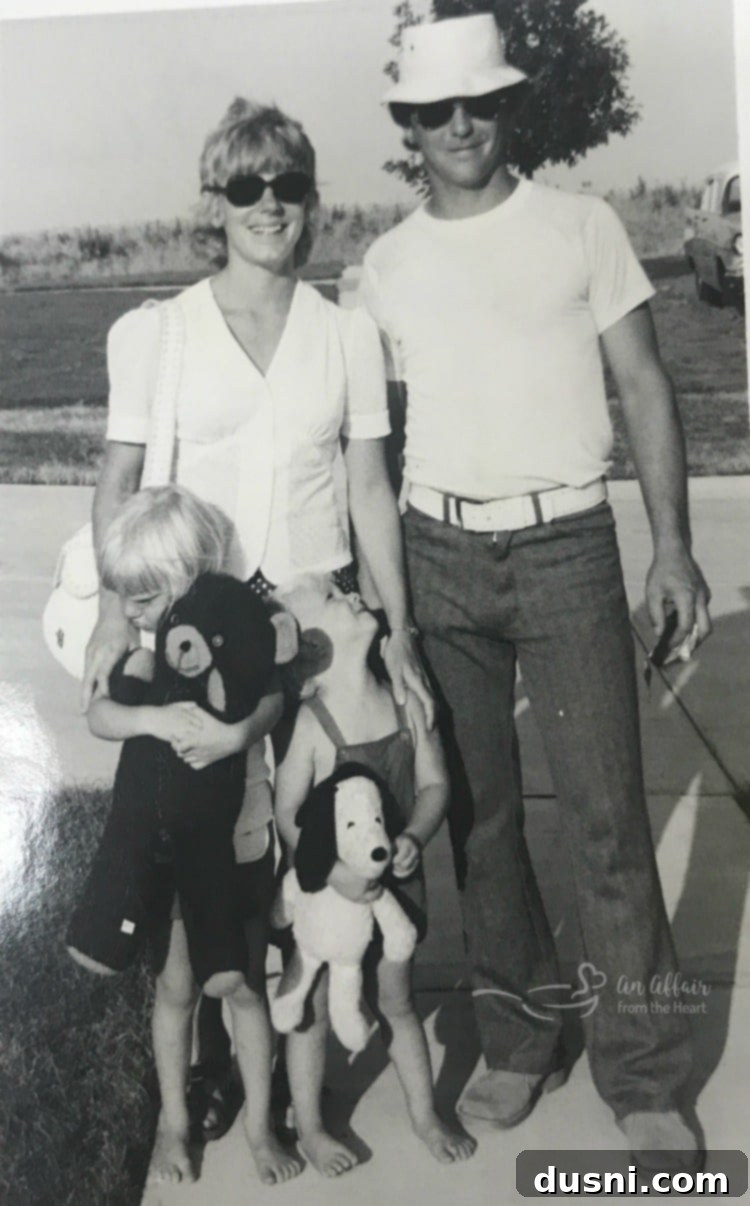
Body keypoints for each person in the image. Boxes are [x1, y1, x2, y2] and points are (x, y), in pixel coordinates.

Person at [358, 13, 712, 1172]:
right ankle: (520, 1042)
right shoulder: (385, 266)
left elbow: (646, 386)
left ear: (509, 107)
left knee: (610, 822)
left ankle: (646, 1073)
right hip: (438, 553)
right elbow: (373, 442)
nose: (461, 124)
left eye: (482, 101)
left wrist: (672, 549)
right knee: (481, 819)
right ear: (410, 126)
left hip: (566, 546)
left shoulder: (582, 225)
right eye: (437, 109)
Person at [80, 99, 431, 1178]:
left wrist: (401, 635)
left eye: (287, 185)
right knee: (213, 879)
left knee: (318, 880)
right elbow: (122, 478)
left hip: (320, 634)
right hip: (205, 645)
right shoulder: (159, 332)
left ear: (311, 198)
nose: (269, 204)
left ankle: (307, 1112)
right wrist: (109, 609)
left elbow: (371, 492)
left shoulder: (348, 332)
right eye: (246, 187)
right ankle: (202, 1098)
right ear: (217, 205)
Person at [69, 484, 301, 1187]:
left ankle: (260, 1128)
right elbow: (101, 716)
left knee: (243, 988)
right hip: (171, 849)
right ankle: (174, 1123)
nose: (130, 616)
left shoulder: (237, 637)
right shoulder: (145, 659)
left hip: (239, 840)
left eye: (141, 600)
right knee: (176, 988)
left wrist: (235, 735)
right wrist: (155, 721)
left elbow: (273, 699)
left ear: (185, 582)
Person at [273, 575, 476, 1176]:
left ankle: (425, 1115)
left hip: (394, 887)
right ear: (313, 650)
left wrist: (414, 834)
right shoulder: (313, 725)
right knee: (306, 1000)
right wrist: (329, 869)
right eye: (337, 600)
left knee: (397, 1000)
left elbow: (436, 783)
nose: (356, 596)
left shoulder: (407, 699)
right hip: (325, 890)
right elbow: (287, 813)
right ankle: (309, 1126)